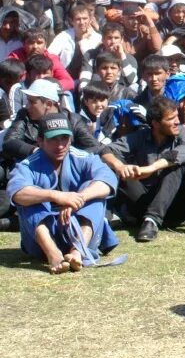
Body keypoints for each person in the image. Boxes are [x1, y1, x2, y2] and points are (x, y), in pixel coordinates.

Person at [6, 113, 119, 273]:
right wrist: (56, 195)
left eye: (64, 138)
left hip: (80, 231)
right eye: (53, 139)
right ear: (40, 141)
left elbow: (108, 181)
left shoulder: (84, 158)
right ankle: (54, 255)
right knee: (30, 197)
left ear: (71, 139)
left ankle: (77, 252)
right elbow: (17, 192)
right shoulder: (27, 165)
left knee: (93, 190)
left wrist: (78, 198)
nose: (60, 146)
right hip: (41, 239)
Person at [100, 95, 185, 242]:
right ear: (155, 124)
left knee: (176, 168)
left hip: (172, 200)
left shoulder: (183, 134)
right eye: (170, 119)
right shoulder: (140, 136)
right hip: (144, 196)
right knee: (113, 167)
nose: (177, 122)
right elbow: (105, 150)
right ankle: (108, 217)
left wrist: (150, 168)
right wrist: (120, 166)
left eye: (177, 116)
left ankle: (151, 221)